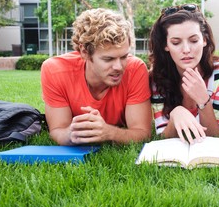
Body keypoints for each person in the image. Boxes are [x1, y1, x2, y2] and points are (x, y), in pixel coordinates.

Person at [41, 8, 151, 146]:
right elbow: (57, 130)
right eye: (108, 59)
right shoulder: (54, 70)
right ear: (84, 52)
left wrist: (109, 133)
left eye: (123, 57)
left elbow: (143, 133)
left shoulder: (135, 69)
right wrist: (71, 134)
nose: (118, 67)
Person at [149, 4, 219, 144]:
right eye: (176, 42)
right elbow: (162, 137)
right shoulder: (157, 78)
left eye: (193, 40)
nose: (186, 49)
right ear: (166, 45)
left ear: (204, 40)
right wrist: (176, 114)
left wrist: (203, 100)